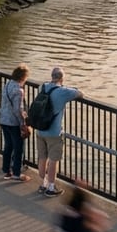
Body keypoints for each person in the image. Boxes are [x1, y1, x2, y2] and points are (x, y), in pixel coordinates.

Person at [37, 66, 84, 197]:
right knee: (53, 159)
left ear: (52, 76)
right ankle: (51, 188)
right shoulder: (63, 92)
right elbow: (80, 93)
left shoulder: (42, 87)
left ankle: (43, 184)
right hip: (54, 132)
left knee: (42, 157)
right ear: (62, 78)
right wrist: (70, 88)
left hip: (40, 129)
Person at [0, 64, 31, 182]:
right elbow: (18, 110)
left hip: (4, 119)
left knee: (8, 145)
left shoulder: (7, 84)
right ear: (23, 77)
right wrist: (23, 124)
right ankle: (17, 174)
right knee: (18, 148)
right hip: (13, 123)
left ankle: (6, 169)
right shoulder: (19, 90)